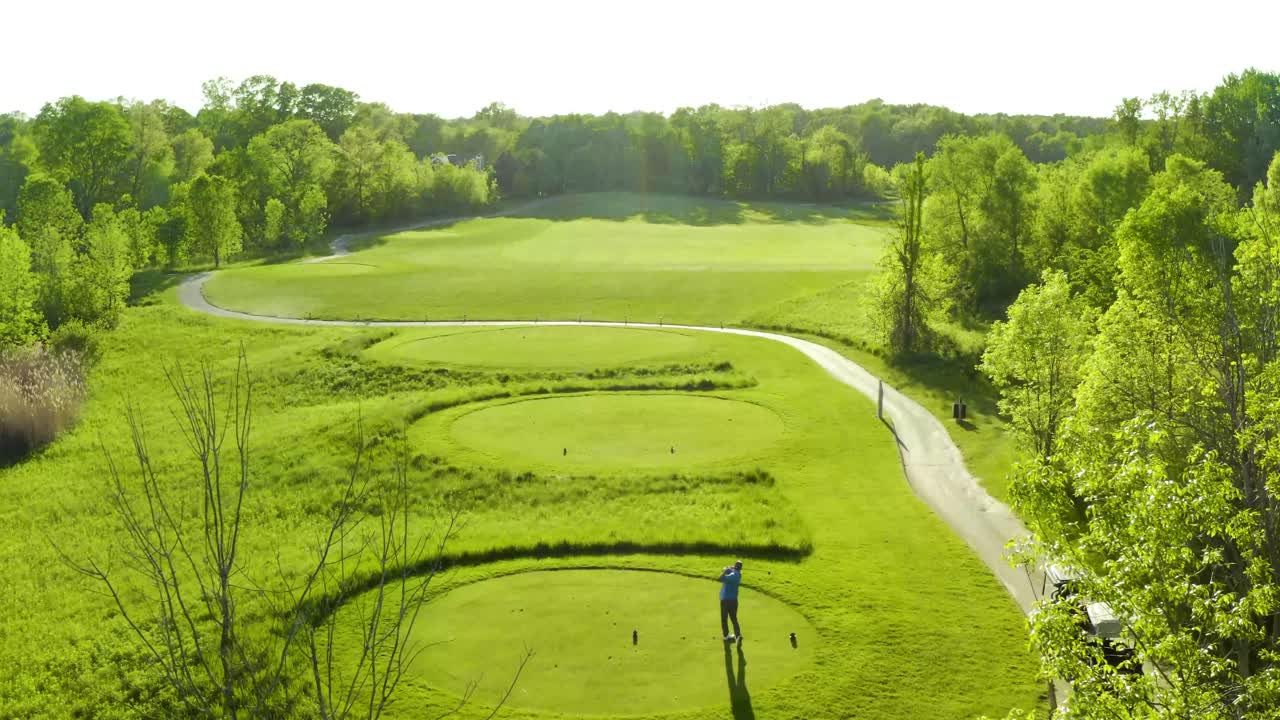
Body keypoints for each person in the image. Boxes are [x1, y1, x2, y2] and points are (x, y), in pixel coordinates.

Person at [718, 560, 743, 642]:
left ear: (735, 566)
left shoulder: (731, 575)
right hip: (734, 601)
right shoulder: (739, 574)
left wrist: (725, 570)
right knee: (734, 618)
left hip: (725, 600)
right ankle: (738, 635)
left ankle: (726, 636)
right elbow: (732, 572)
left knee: (724, 619)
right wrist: (729, 569)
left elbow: (720, 578)